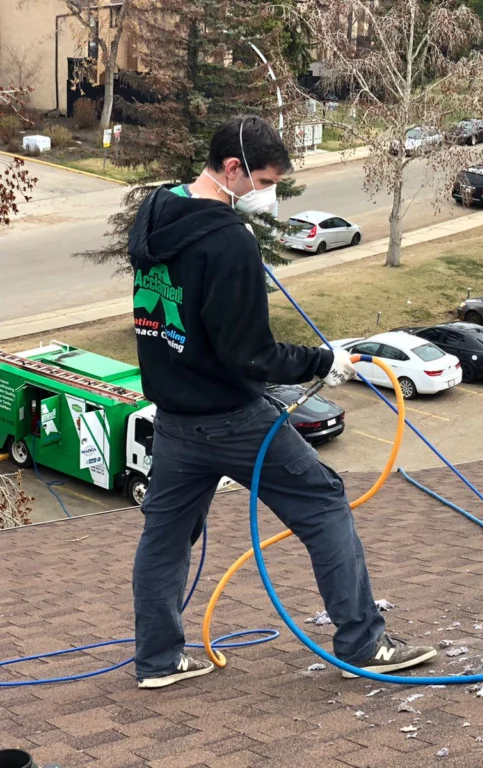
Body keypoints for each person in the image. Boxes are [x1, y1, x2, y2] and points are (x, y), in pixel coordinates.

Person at [129, 115, 436, 689]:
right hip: (233, 420)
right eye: (264, 181)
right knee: (323, 504)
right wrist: (327, 361)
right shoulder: (228, 242)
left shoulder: (157, 211)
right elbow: (251, 354)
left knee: (164, 538)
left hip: (173, 420)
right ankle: (364, 644)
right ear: (231, 169)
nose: (267, 193)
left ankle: (158, 661)